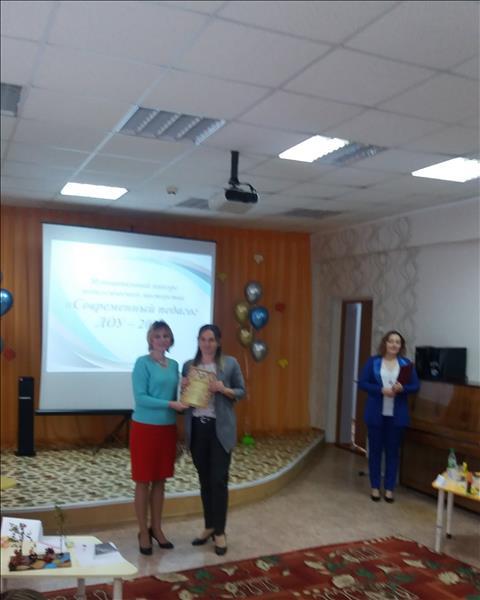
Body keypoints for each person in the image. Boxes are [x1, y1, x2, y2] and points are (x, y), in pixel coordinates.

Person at [181, 324, 245, 556]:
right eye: (203, 339)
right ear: (198, 341)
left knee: (218, 480)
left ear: (218, 342)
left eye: (211, 340)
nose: (206, 344)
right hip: (198, 429)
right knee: (205, 480)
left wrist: (224, 389)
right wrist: (183, 387)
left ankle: (220, 531)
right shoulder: (189, 366)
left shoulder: (230, 364)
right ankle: (209, 526)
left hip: (220, 430)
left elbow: (241, 391)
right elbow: (185, 401)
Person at [131, 320, 185, 555]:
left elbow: (180, 394)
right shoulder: (142, 363)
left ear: (170, 340)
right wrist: (170, 404)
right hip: (145, 428)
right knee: (143, 481)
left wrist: (189, 390)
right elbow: (141, 398)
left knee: (161, 481)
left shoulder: (174, 365)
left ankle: (157, 529)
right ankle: (143, 531)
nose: (162, 340)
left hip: (167, 429)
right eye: (157, 336)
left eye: (166, 336)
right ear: (150, 339)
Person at [358, 330, 419, 503]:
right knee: (375, 452)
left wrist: (403, 389)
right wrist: (380, 390)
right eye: (391, 341)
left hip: (396, 417)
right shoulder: (373, 362)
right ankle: (375, 487)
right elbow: (362, 383)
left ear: (401, 346)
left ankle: (390, 489)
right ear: (385, 343)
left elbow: (415, 386)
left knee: (392, 453)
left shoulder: (406, 365)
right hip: (375, 415)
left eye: (397, 342)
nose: (394, 344)